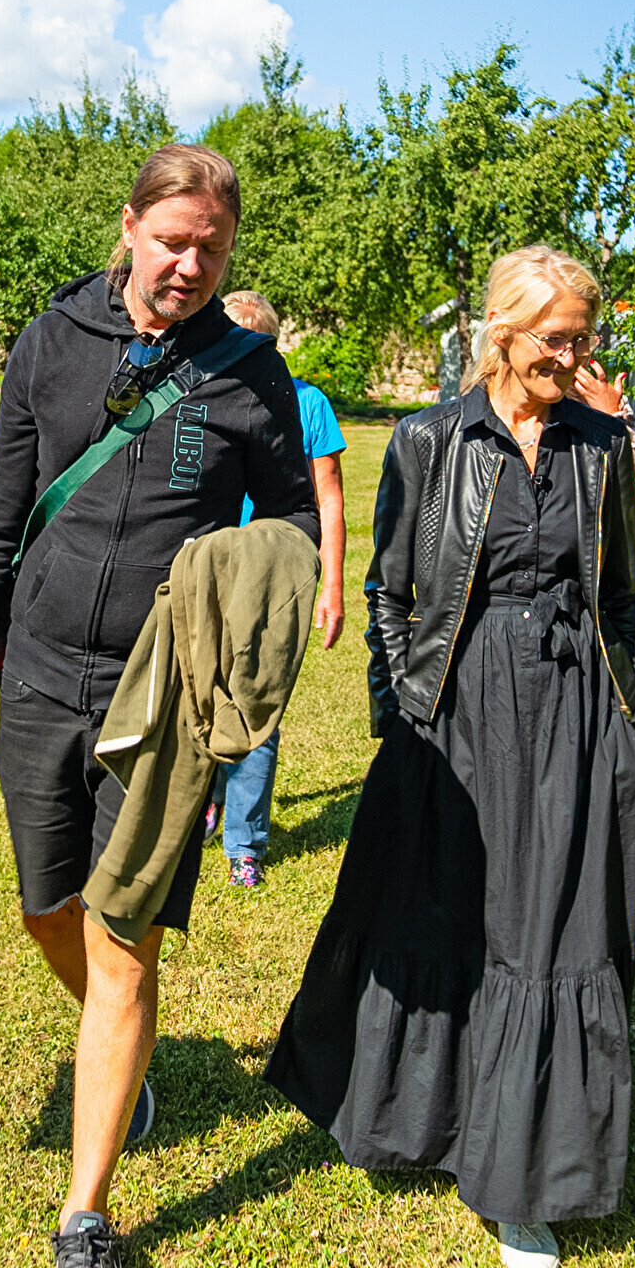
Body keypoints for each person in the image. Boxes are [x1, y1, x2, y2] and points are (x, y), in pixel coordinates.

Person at [0, 142, 318, 1268]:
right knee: (44, 907)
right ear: (128, 228)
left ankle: (86, 1219)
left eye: (212, 247)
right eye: (172, 240)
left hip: (160, 698)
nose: (189, 264)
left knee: (124, 940)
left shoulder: (250, 370)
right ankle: (125, 1048)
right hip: (37, 675)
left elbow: (289, 517)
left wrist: (241, 591)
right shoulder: (52, 340)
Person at [263, 244, 635, 1268]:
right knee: (442, 911)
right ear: (503, 334)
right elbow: (391, 593)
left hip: (572, 705)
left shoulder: (600, 445)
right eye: (557, 339)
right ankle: (423, 1123)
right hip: (460, 703)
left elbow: (623, 594)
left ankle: (522, 1183)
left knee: (547, 928)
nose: (575, 357)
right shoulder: (431, 439)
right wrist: (403, 719)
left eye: (584, 338)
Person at [201, 289, 348, 887]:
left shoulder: (307, 404)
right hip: (204, 565)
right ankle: (203, 803)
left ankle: (244, 844)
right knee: (198, 694)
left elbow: (329, 499)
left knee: (255, 702)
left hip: (273, 574)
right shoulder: (199, 393)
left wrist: (333, 585)